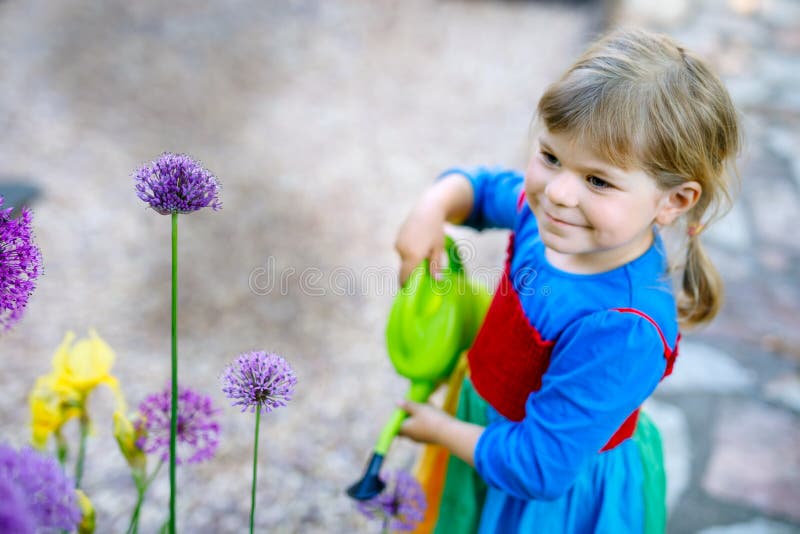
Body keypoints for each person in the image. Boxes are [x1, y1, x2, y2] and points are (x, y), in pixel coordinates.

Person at [393, 28, 741, 533]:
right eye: (551, 156)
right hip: (487, 433)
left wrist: (444, 432)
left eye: (598, 180)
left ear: (674, 201)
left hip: (547, 504)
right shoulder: (551, 221)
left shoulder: (624, 327)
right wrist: (434, 205)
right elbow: (487, 188)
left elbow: (540, 468)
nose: (557, 192)